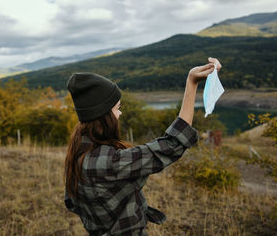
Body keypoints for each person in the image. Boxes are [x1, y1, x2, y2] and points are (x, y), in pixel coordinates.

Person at [64, 58, 222, 235]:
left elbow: (71, 203)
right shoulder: (111, 162)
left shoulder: (78, 154)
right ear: (103, 115)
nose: (120, 113)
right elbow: (173, 144)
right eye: (117, 108)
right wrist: (191, 83)